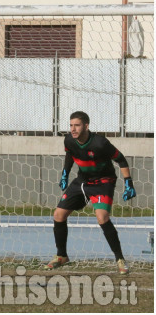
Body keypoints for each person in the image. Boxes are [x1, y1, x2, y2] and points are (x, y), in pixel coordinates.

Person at [45, 111, 137, 275]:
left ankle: (120, 259)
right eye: (71, 125)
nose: (73, 129)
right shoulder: (69, 140)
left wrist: (128, 182)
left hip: (103, 182)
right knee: (58, 215)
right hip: (82, 181)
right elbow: (70, 154)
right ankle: (61, 256)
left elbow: (121, 159)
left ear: (86, 126)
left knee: (102, 218)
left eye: (77, 125)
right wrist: (65, 173)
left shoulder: (100, 143)